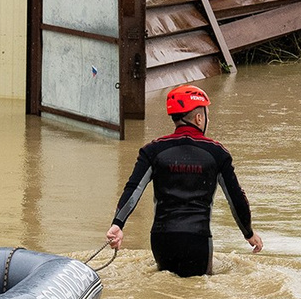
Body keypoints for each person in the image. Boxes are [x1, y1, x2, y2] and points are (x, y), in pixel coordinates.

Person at [107, 85, 260, 278]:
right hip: (198, 240)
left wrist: (117, 224)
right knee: (197, 294)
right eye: (207, 115)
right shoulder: (217, 153)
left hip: (162, 240)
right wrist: (248, 233)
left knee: (165, 292)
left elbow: (133, 189)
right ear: (199, 118)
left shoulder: (153, 150)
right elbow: (236, 198)